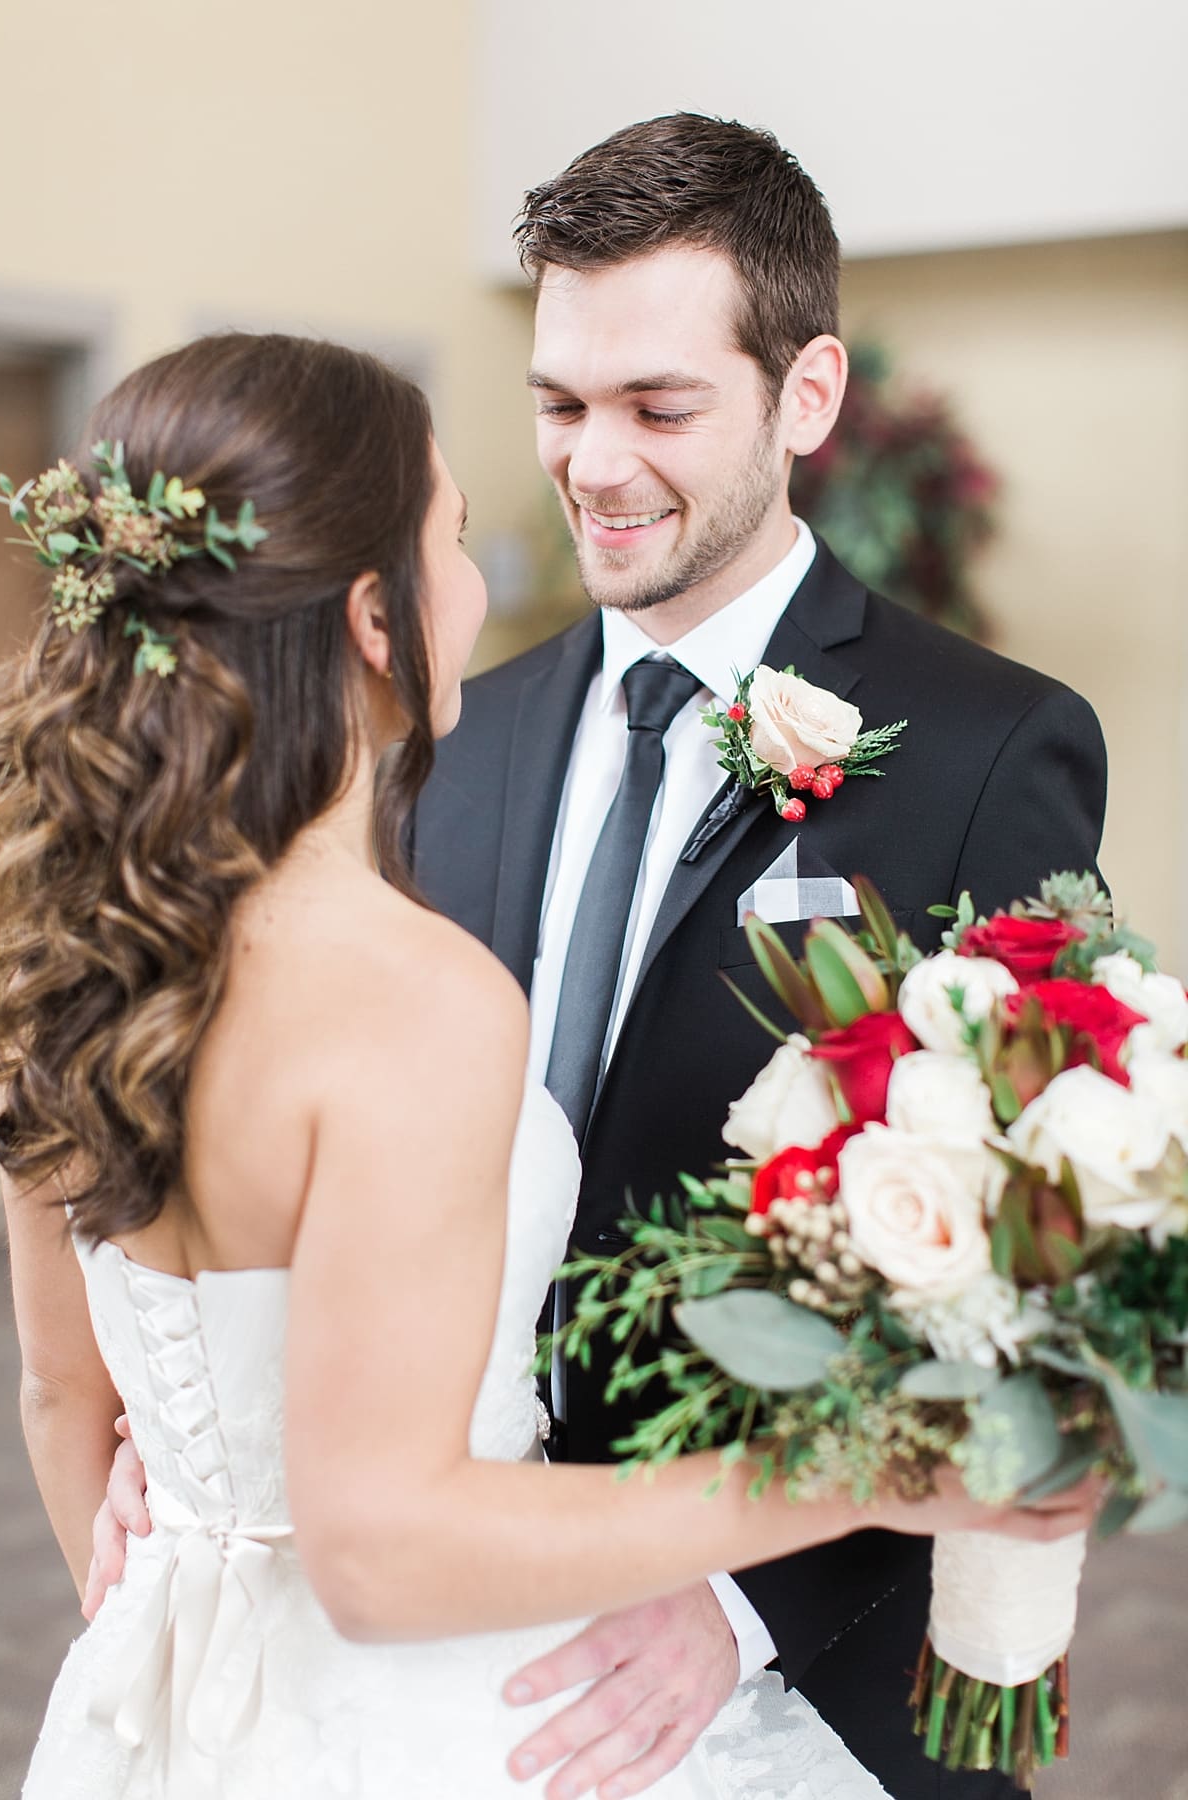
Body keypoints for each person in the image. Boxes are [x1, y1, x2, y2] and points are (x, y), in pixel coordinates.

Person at [0, 332, 1094, 1800]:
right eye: (452, 536)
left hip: (162, 1708)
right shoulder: (413, 992)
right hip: (450, 1722)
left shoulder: (64, 959)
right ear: (376, 617)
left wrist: (193, 1669)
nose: (484, 583)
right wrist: (879, 1469)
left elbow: (67, 1402)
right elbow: (380, 1548)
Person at [406, 114, 1110, 1800]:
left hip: (810, 1687)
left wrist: (743, 1601)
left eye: (659, 408)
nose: (593, 461)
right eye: (562, 405)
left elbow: (1035, 1268)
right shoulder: (460, 739)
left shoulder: (985, 747)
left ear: (805, 398)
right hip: (467, 1628)